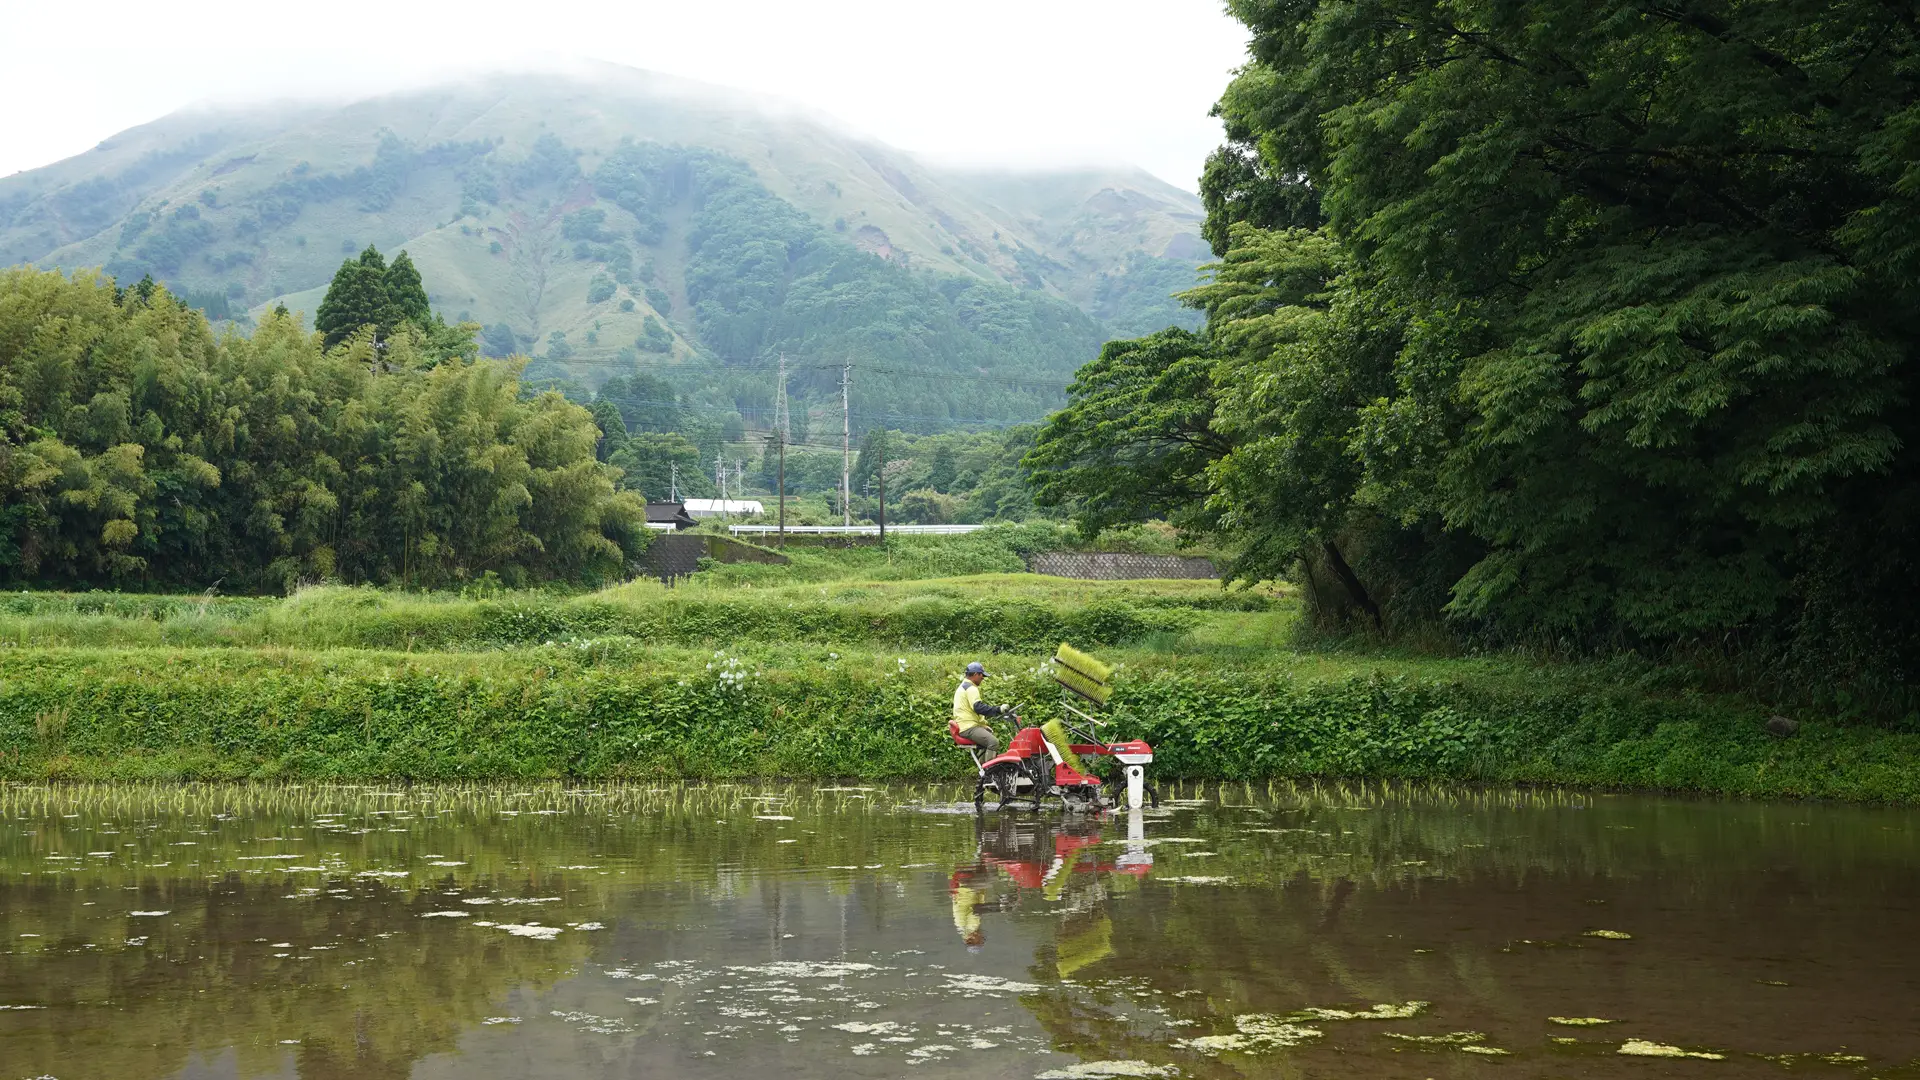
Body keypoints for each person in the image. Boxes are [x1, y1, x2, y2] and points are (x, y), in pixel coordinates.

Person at [951, 660, 1010, 753]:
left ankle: (983, 766)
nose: (983, 678)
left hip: (965, 725)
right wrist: (998, 709)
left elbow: (972, 711)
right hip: (968, 727)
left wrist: (982, 725)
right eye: (981, 675)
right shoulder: (971, 688)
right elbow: (978, 707)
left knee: (987, 739)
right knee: (993, 742)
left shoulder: (963, 686)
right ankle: (991, 768)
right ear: (975, 674)